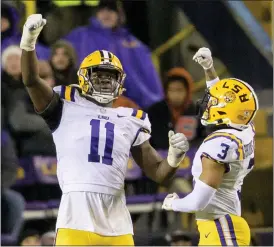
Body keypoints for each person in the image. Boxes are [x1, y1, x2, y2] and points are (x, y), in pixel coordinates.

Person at [20, 14, 189, 246]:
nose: (105, 82)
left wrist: (174, 158)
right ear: (83, 78)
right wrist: (28, 44)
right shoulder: (66, 104)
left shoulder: (130, 117)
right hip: (75, 220)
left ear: (120, 82)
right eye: (98, 76)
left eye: (111, 77)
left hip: (117, 223)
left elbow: (158, 173)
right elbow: (30, 80)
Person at [162, 47, 258, 246]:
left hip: (222, 228)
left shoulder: (218, 146)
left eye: (212, 103)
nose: (207, 105)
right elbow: (227, 100)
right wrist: (209, 69)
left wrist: (173, 203)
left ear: (223, 110)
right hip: (219, 226)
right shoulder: (244, 127)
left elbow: (198, 201)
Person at [64, 0, 164, 109]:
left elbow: (148, 83)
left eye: (111, 10)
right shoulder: (79, 36)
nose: (106, 14)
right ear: (96, 13)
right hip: (84, 102)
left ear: (119, 14)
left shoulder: (132, 44)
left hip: (124, 106)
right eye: (102, 10)